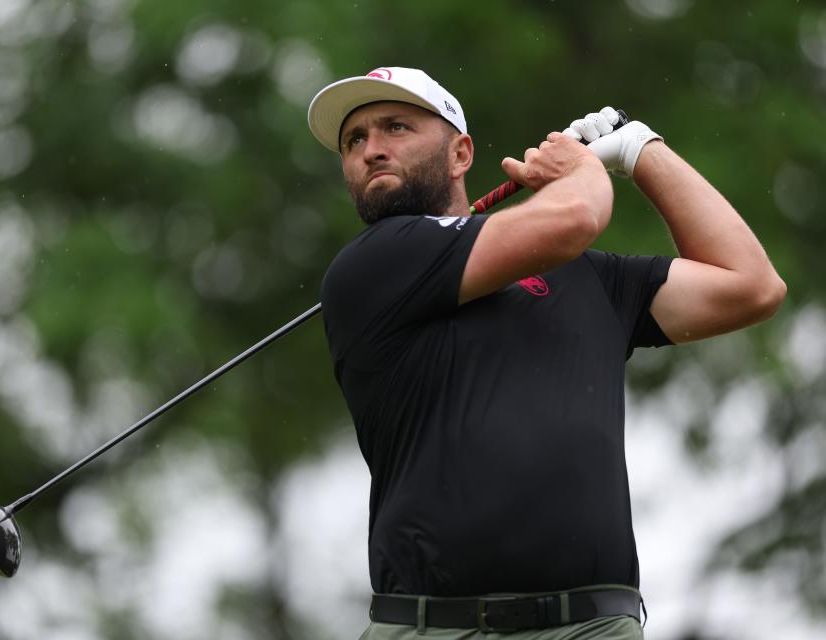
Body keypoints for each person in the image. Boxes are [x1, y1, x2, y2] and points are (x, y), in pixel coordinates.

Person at [306, 67, 786, 640]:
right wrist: (582, 169)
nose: (372, 150)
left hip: (591, 626)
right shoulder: (372, 265)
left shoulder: (590, 279)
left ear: (460, 154)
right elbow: (577, 217)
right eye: (354, 140)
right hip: (432, 627)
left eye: (395, 127)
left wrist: (641, 149)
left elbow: (752, 286)